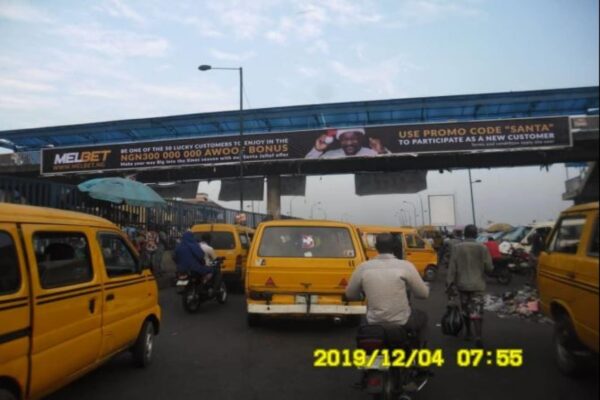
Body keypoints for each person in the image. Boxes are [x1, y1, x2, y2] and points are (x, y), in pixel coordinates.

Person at [345, 233, 430, 339]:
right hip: (402, 321)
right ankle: (418, 353)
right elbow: (423, 294)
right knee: (423, 317)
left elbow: (350, 294)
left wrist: (361, 295)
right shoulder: (406, 266)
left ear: (376, 247)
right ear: (394, 246)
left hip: (373, 321)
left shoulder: (363, 267)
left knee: (362, 330)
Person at [446, 225, 493, 348]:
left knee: (465, 310)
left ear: (464, 235)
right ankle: (478, 336)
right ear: (476, 234)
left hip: (462, 286)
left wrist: (449, 284)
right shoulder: (483, 248)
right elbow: (489, 268)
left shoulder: (457, 248)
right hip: (478, 286)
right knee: (477, 312)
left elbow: (452, 269)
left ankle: (468, 332)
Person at [305, 128, 389, 159]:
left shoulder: (373, 154)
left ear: (361, 139)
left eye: (353, 139)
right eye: (344, 139)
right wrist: (317, 150)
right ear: (340, 141)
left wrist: (381, 151)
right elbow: (305, 168)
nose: (349, 143)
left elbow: (393, 168)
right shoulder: (330, 156)